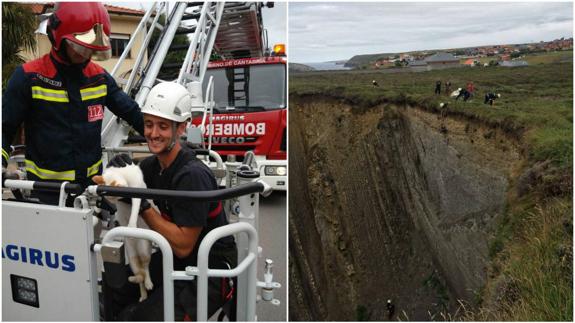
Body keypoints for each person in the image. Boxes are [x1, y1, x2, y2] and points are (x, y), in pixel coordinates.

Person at [116, 82, 237, 321]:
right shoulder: (152, 166)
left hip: (211, 269)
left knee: (144, 318)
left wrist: (145, 205)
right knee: (117, 289)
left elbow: (183, 245)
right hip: (177, 258)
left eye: (162, 126)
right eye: (149, 125)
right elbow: (127, 187)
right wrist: (119, 175)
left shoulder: (192, 175)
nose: (153, 133)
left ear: (181, 128)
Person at [2, 2, 144, 204]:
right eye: (79, 47)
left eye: (90, 49)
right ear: (58, 38)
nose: (85, 54)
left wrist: (170, 141)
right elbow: (4, 127)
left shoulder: (99, 77)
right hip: (46, 193)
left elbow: (132, 112)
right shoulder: (29, 77)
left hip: (91, 190)